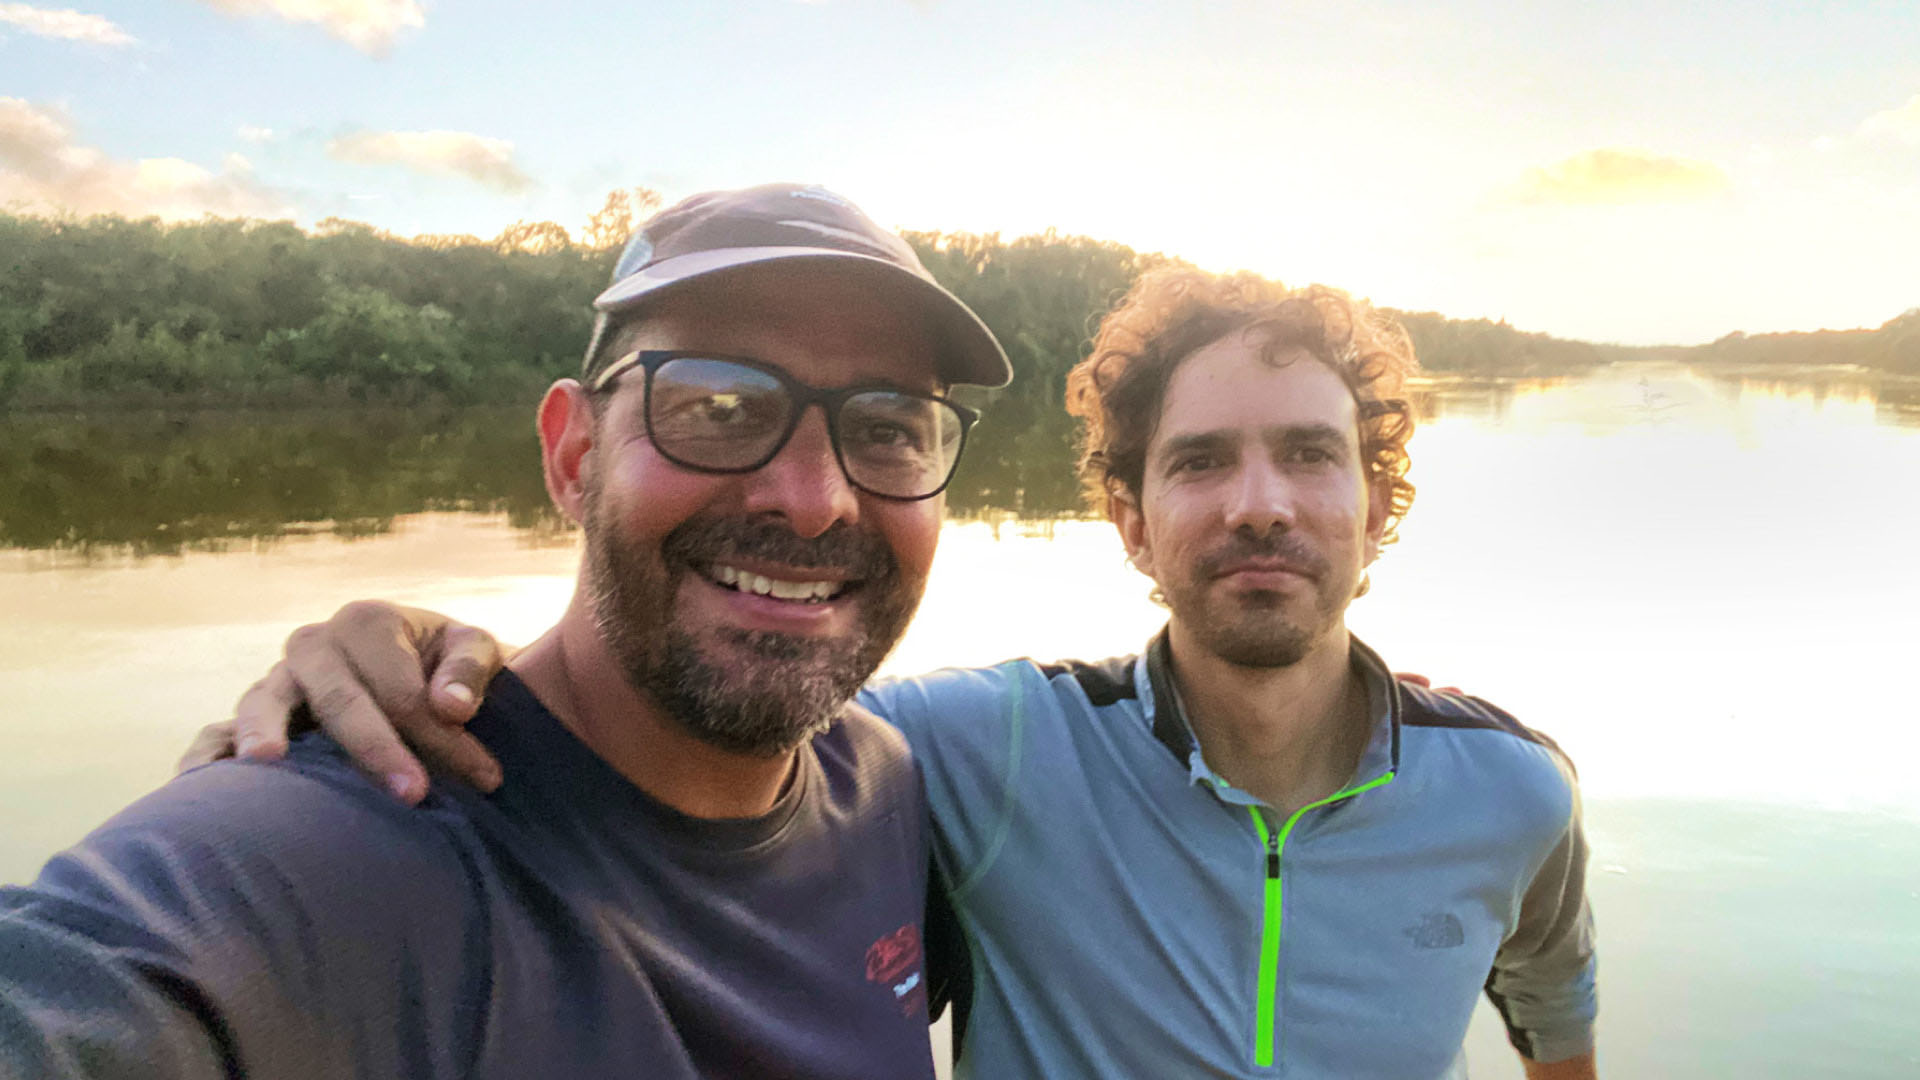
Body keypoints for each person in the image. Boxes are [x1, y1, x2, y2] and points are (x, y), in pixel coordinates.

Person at [205, 265, 1602, 1077]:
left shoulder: (1512, 794)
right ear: (1128, 519)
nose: (1259, 505)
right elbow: (685, 731)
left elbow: (1557, 1023)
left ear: (1377, 500)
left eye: (1309, 454)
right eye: (1199, 462)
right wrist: (425, 658)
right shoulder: (979, 754)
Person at [0, 183, 1014, 1079]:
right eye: (719, 405)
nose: (813, 501)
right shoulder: (333, 859)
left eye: (888, 427)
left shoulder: (882, 787)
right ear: (573, 457)